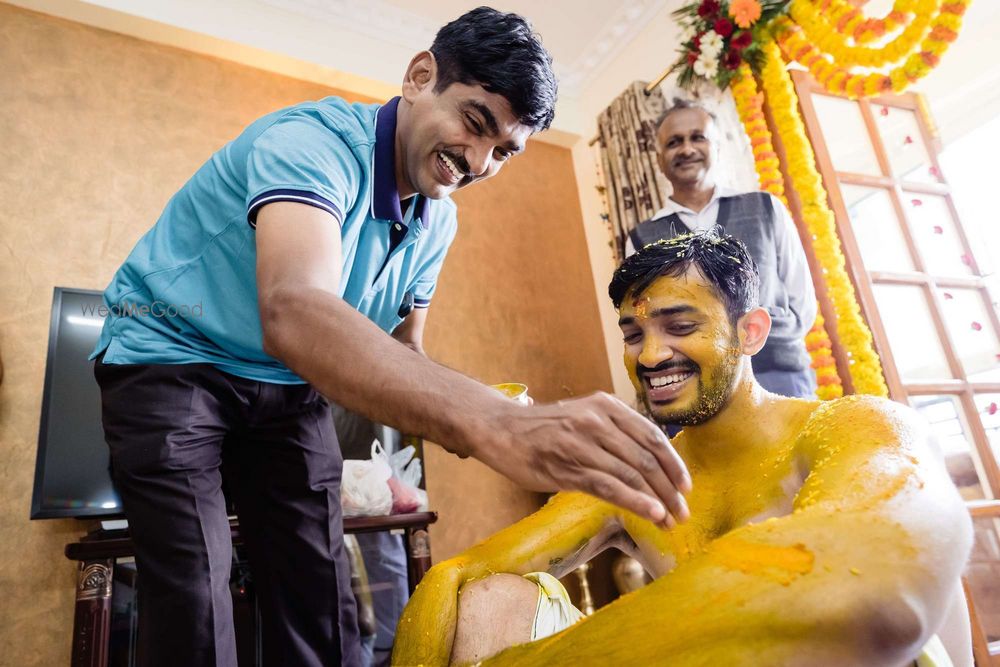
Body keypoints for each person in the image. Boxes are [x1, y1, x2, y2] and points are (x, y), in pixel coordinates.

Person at [90, 7, 691, 667]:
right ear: (420, 76)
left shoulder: (439, 223)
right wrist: (487, 424)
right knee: (197, 604)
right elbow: (294, 308)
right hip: (171, 361)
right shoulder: (312, 143)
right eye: (475, 122)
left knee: (321, 595)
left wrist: (518, 416)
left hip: (287, 389)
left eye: (505, 151)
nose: (479, 161)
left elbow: (406, 353)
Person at [393, 231, 973, 667]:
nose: (649, 357)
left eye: (679, 325)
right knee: (492, 598)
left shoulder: (857, 426)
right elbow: (459, 577)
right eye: (634, 333)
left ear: (750, 332)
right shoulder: (634, 478)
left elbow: (874, 596)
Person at [626, 99, 818, 399]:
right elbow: (644, 319)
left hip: (779, 375)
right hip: (692, 387)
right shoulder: (641, 238)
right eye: (674, 142)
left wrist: (769, 339)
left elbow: (801, 300)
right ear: (659, 159)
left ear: (716, 146)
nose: (687, 149)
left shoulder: (765, 208)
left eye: (697, 137)